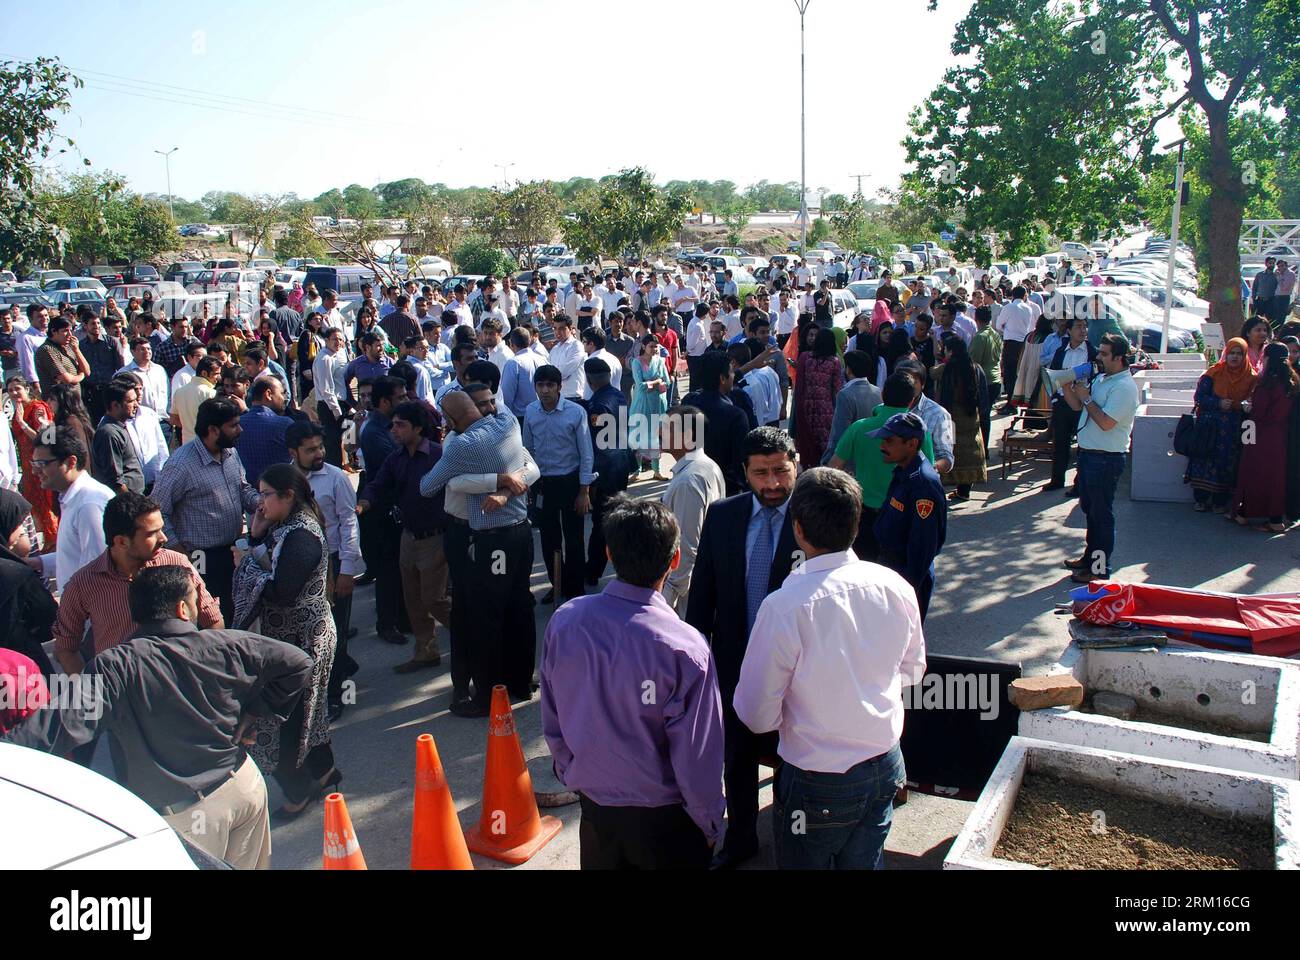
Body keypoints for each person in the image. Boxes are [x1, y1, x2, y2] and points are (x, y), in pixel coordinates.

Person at [6, 565, 312, 869]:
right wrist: (256, 710)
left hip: (185, 824)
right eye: (195, 599)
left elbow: (53, 730)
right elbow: (298, 662)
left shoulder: (117, 667)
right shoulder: (228, 645)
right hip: (244, 789)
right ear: (182, 608)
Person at [734, 467, 924, 869]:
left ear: (798, 529)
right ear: (857, 523)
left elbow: (754, 712)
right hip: (885, 763)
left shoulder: (785, 607)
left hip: (818, 780)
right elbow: (911, 672)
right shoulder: (896, 586)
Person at [540, 496, 725, 869]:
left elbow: (553, 711)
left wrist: (570, 769)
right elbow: (698, 755)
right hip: (667, 821)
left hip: (596, 811)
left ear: (608, 553)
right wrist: (710, 822)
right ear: (674, 560)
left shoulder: (566, 622)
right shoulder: (686, 648)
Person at [685, 426, 799, 869]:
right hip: (734, 663)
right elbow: (704, 593)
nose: (772, 484)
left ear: (796, 466)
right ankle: (741, 837)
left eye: (780, 472)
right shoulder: (723, 516)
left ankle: (793, 839)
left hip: (795, 670)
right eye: (761, 473)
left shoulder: (815, 516)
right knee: (738, 757)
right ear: (744, 474)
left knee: (791, 760)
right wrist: (696, 660)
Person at [232, 463, 341, 821]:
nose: (260, 504)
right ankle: (324, 771)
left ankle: (297, 789)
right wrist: (257, 536)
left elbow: (282, 590)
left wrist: (248, 560)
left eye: (266, 495)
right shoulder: (285, 527)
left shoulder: (302, 536)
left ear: (288, 496)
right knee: (308, 710)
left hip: (302, 641)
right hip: (292, 638)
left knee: (284, 719)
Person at [419, 394, 537, 719]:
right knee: (519, 607)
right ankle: (521, 683)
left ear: (451, 419)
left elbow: (429, 486)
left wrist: (493, 486)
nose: (489, 406)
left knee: (486, 618)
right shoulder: (509, 422)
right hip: (520, 533)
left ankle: (487, 695)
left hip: (489, 540)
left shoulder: (460, 446)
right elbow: (529, 468)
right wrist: (501, 481)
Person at [51, 491, 222, 674]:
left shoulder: (177, 564)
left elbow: (213, 621)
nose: (164, 538)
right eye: (152, 534)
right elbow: (65, 648)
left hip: (180, 685)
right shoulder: (83, 584)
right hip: (121, 692)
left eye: (161, 529)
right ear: (121, 541)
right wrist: (92, 690)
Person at [357, 401, 452, 673]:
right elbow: (378, 485)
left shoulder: (438, 455)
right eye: (393, 425)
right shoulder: (395, 459)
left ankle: (470, 633)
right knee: (413, 600)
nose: (394, 430)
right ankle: (426, 651)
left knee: (434, 598)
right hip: (408, 537)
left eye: (401, 425)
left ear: (418, 428)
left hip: (436, 537)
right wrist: (364, 502)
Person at [150, 398, 261, 623]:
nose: (240, 430)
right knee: (208, 616)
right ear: (212, 430)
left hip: (231, 551)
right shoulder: (181, 464)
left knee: (233, 614)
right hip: (199, 556)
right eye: (233, 426)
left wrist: (264, 503)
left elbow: (242, 489)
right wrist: (179, 552)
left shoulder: (230, 453)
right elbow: (158, 510)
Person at [287, 421, 363, 716]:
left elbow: (348, 522)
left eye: (320, 447)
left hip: (331, 564)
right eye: (310, 450)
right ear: (293, 452)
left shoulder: (335, 478)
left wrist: (347, 568)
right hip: (298, 565)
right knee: (309, 632)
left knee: (336, 632)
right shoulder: (284, 479)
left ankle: (337, 695)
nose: (319, 453)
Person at [829, 373, 936, 562]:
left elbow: (833, 468)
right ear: (912, 400)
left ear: (883, 394)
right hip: (903, 514)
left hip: (864, 514)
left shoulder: (859, 428)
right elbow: (929, 469)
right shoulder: (919, 432)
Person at [1059, 333, 1139, 582]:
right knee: (1091, 511)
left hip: (1105, 459)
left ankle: (1099, 569)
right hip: (1089, 455)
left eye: (1105, 353)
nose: (1098, 357)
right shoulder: (1103, 378)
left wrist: (1086, 396)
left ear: (1119, 357)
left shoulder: (1124, 387)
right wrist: (1065, 386)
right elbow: (1076, 407)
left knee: (1101, 515)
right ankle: (1090, 558)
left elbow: (1105, 423)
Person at [523, 365, 595, 604]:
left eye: (550, 385)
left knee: (573, 538)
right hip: (543, 485)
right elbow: (527, 450)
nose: (545, 391)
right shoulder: (531, 412)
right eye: (540, 385)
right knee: (548, 538)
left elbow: (586, 454)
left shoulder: (575, 413)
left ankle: (575, 588)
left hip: (570, 483)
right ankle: (557, 585)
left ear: (559, 387)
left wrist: (584, 491)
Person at [871, 412, 948, 620]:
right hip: (891, 568)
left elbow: (922, 546)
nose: (882, 446)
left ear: (912, 444)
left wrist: (907, 590)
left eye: (889, 441)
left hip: (907, 577)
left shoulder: (923, 485)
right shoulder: (904, 472)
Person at [27, 427, 114, 591]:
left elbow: (98, 570)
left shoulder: (89, 505)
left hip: (89, 613)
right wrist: (38, 563)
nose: (34, 471)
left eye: (41, 464)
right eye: (34, 463)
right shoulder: (73, 498)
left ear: (70, 462)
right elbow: (75, 554)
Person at [660, 406, 727, 616]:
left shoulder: (689, 481)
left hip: (686, 595)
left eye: (667, 428)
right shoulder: (702, 467)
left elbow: (687, 546)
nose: (659, 432)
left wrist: (665, 598)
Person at [357, 376, 408, 646]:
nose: (405, 401)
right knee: (388, 569)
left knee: (400, 566)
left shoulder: (389, 426)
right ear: (385, 401)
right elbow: (398, 465)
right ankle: (387, 623)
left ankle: (402, 617)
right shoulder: (375, 433)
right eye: (400, 398)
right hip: (383, 508)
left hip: (395, 505)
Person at [1230, 342, 1298, 532]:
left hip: (1257, 432)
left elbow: (1257, 412)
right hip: (1280, 435)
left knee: (1252, 471)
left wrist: (1246, 407)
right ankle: (1275, 518)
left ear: (1268, 359)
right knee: (1275, 476)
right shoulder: (1291, 382)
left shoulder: (1267, 383)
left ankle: (1244, 513)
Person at [1184, 337, 1253, 514]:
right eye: (1231, 353)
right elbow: (1199, 398)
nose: (1234, 357)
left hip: (1234, 429)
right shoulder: (1214, 373)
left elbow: (1255, 398)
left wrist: (1246, 403)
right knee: (1205, 460)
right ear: (1226, 354)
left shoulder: (1251, 377)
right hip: (1210, 428)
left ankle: (1219, 502)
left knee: (1227, 464)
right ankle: (1200, 499)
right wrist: (1218, 403)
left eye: (1239, 354)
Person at [583, 357, 632, 587]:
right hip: (620, 464)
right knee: (614, 517)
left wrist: (593, 479)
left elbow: (599, 445)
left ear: (590, 380)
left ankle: (592, 571)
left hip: (606, 470)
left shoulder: (597, 406)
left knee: (602, 523)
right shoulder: (617, 395)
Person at [0, 489, 59, 676]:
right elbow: (49, 619)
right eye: (19, 523)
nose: (24, 530)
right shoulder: (15, 575)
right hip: (22, 670)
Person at [682, 352, 750, 496]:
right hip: (727, 488)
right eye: (732, 372)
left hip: (691, 482)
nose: (734, 376)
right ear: (722, 379)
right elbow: (741, 460)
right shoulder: (736, 415)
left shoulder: (688, 404)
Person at [1044, 317, 1097, 493]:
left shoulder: (1092, 352)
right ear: (1069, 330)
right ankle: (1057, 480)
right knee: (1060, 443)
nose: (1083, 330)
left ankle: (1079, 484)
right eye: (1078, 327)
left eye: (1085, 327)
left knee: (1083, 445)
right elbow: (1053, 376)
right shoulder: (1061, 352)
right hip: (1062, 403)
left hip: (1082, 404)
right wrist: (1055, 398)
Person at [6, 375, 60, 548]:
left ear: (27, 389)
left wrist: (22, 423)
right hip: (29, 467)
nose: (14, 393)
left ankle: (54, 544)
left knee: (46, 504)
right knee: (34, 506)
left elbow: (48, 437)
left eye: (17, 388)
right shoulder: (20, 409)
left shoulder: (39, 408)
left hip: (42, 464)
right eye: (10, 390)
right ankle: (46, 544)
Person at [933, 335, 988, 501]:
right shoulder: (975, 368)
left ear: (951, 351)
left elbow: (930, 372)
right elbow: (984, 397)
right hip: (971, 416)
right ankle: (964, 491)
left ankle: (943, 487)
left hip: (950, 417)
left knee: (949, 449)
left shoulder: (945, 369)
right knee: (970, 452)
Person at [821, 350, 881, 466]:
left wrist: (828, 460)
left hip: (851, 460)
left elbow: (839, 432)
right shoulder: (878, 392)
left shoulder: (845, 395)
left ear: (848, 369)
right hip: (872, 456)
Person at [90, 379, 146, 495]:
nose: (136, 405)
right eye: (131, 401)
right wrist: (132, 505)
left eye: (136, 400)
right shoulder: (109, 433)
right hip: (127, 503)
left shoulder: (119, 427)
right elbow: (115, 481)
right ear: (115, 405)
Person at [236, 377, 294, 487]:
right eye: (282, 393)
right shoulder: (285, 424)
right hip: (280, 492)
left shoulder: (236, 424)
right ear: (268, 394)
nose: (284, 399)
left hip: (246, 494)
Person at [630, 333, 671, 479]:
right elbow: (640, 386)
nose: (654, 349)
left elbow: (667, 381)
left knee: (654, 437)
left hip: (658, 403)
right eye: (651, 346)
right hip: (642, 403)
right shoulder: (637, 362)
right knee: (639, 435)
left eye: (656, 346)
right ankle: (636, 470)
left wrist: (660, 383)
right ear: (643, 346)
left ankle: (656, 470)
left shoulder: (660, 361)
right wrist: (656, 382)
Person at [312, 327, 351, 467]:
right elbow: (326, 389)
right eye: (335, 339)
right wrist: (336, 410)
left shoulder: (335, 356)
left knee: (346, 437)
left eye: (340, 339)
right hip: (330, 406)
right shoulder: (325, 359)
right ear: (326, 340)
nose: (338, 342)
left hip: (339, 403)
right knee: (332, 443)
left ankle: (344, 465)